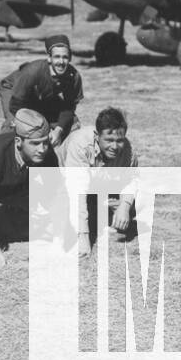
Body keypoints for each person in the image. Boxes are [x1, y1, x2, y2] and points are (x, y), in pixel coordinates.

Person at [0, 109, 60, 269]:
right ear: (18, 142)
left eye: (45, 142)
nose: (42, 149)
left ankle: (6, 214)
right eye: (35, 143)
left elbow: (54, 195)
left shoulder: (47, 155)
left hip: (15, 186)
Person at [61, 107, 140, 252]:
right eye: (109, 140)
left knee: (130, 210)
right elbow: (76, 191)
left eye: (119, 141)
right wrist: (83, 236)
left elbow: (131, 180)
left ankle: (100, 208)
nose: (115, 146)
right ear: (97, 136)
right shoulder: (80, 145)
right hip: (64, 183)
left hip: (97, 181)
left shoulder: (127, 150)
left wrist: (125, 206)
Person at [0, 33, 83, 148]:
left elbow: (68, 108)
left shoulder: (73, 76)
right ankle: (6, 155)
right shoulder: (33, 72)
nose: (61, 62)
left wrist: (58, 130)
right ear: (49, 58)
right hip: (13, 91)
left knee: (72, 124)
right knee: (14, 125)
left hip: (41, 96)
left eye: (65, 57)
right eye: (57, 57)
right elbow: (15, 105)